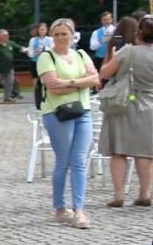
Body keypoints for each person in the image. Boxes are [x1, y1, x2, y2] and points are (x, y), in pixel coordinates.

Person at [36, 17, 101, 228]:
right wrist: (83, 83)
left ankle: (79, 210)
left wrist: (70, 83)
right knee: (63, 160)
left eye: (65, 33)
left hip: (83, 111)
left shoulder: (81, 54)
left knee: (80, 161)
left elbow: (96, 79)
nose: (61, 37)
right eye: (57, 34)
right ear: (51, 37)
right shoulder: (46, 58)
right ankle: (60, 208)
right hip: (57, 113)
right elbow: (54, 87)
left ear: (73, 35)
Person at [98, 16, 153, 208]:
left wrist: (111, 56)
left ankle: (119, 194)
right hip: (150, 105)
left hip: (122, 104)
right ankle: (145, 193)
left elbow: (104, 73)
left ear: (139, 33)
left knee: (119, 151)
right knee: (145, 153)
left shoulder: (127, 51)